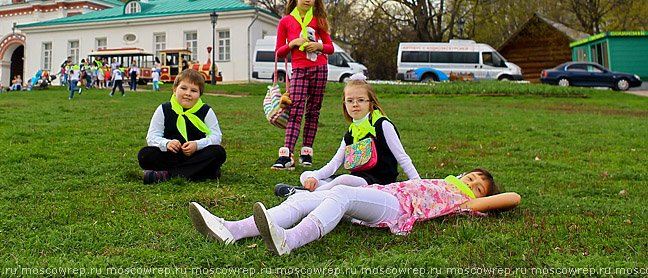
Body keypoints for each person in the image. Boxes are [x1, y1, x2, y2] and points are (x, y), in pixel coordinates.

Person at [190, 168, 521, 255]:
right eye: (471, 177)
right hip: (380, 194)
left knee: (343, 194)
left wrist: (477, 195)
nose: (472, 182)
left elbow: (514, 197)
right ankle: (232, 229)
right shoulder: (441, 181)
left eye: (478, 185)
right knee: (304, 200)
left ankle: (290, 240)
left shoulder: (462, 201)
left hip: (398, 209)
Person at [275, 74, 419, 197]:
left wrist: (419, 184)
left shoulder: (382, 125)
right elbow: (335, 163)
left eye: (361, 100)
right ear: (345, 104)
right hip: (357, 178)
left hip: (379, 182)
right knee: (306, 175)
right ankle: (315, 190)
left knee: (343, 181)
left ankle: (304, 195)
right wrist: (314, 176)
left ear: (371, 103)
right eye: (350, 101)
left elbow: (402, 157)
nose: (355, 104)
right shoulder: (351, 132)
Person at [272, 0, 334, 170]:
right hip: (299, 69)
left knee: (313, 111)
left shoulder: (319, 19)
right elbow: (279, 52)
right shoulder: (286, 22)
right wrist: (292, 44)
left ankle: (306, 152)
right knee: (296, 110)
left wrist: (319, 46)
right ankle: (286, 154)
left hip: (319, 68)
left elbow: (330, 47)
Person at [137, 69, 226, 184]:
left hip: (196, 155)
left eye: (193, 90)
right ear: (174, 90)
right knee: (145, 155)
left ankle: (168, 175)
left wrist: (197, 145)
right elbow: (152, 136)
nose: (188, 94)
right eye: (183, 88)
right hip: (170, 155)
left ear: (199, 95)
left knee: (218, 152)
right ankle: (203, 172)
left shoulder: (206, 111)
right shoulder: (164, 109)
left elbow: (216, 137)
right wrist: (167, 143)